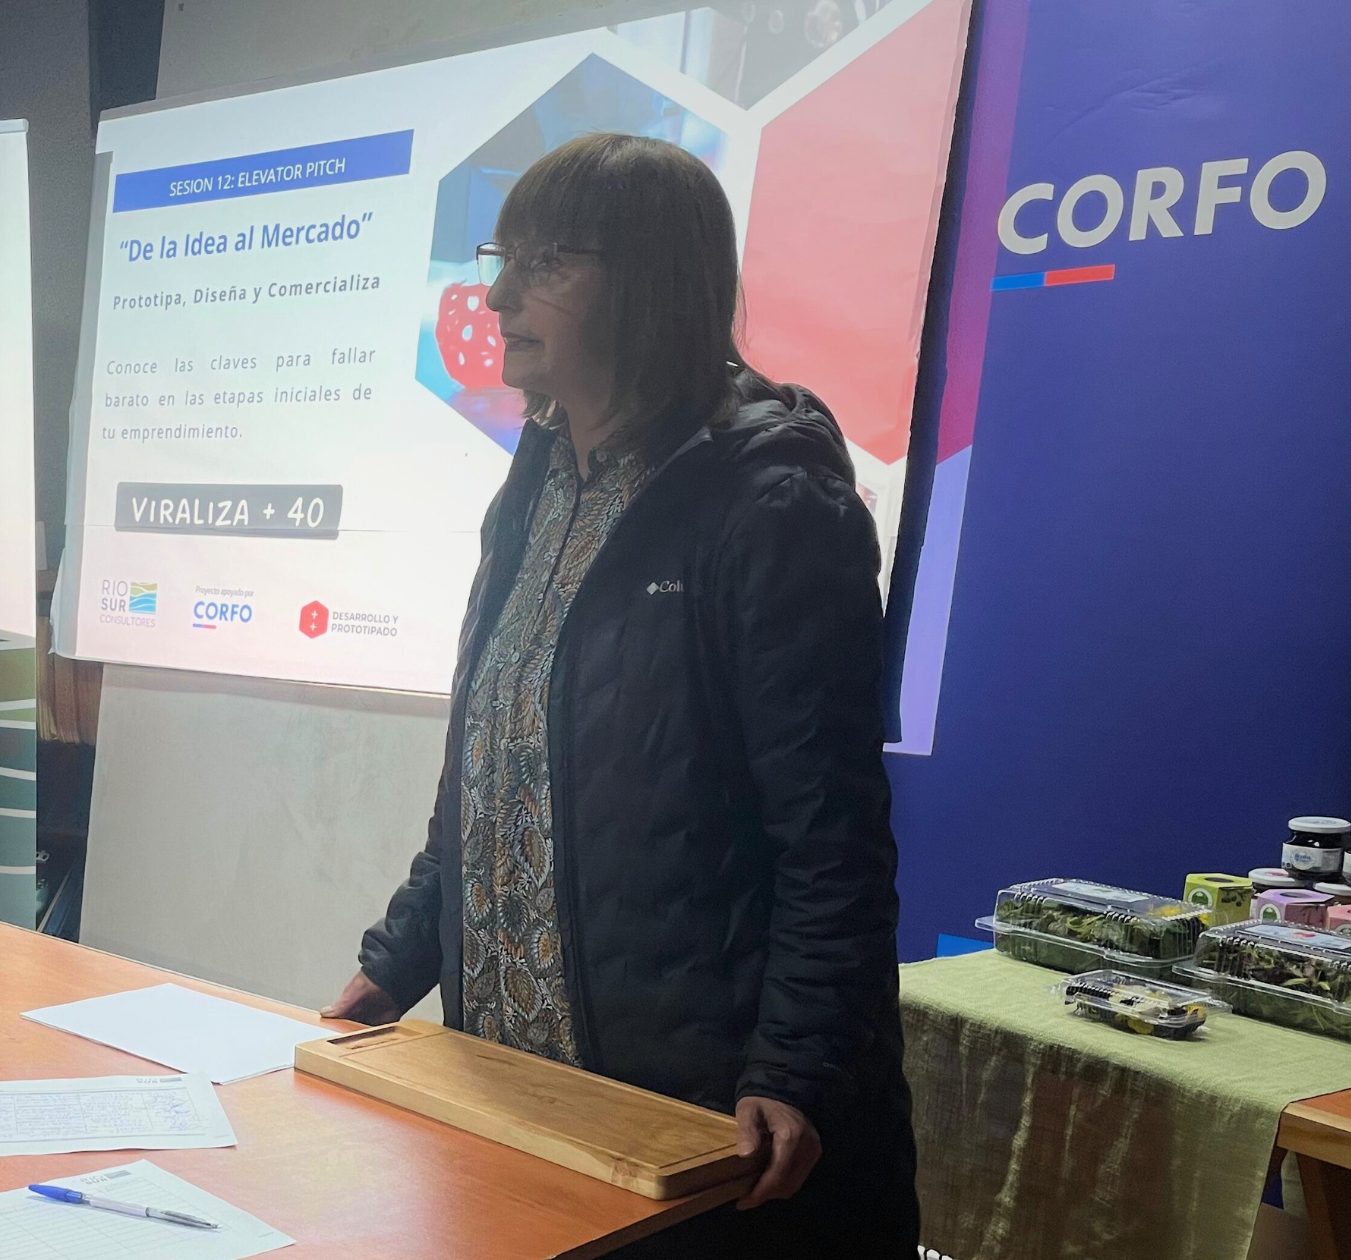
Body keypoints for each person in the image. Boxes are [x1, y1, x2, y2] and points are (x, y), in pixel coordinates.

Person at [324, 133, 916, 1257]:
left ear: (650, 281)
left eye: (545, 262)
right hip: (515, 1084)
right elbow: (489, 772)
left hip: (694, 1123)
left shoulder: (773, 507)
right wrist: (395, 963)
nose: (497, 295)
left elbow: (831, 837)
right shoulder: (538, 479)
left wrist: (794, 1066)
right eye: (503, 257)